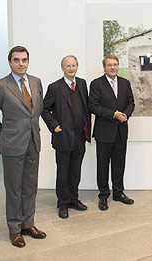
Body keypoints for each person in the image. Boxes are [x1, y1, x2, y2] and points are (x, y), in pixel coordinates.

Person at [0, 46, 46, 248]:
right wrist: (2, 134)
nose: (21, 63)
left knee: (30, 186)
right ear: (10, 62)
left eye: (24, 60)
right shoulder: (1, 85)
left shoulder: (36, 82)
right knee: (14, 188)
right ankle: (14, 228)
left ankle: (28, 224)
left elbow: (37, 110)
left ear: (28, 61)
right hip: (12, 144)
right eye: (16, 60)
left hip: (33, 141)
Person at [41, 55, 91, 219]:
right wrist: (54, 126)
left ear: (77, 67)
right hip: (63, 137)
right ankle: (63, 203)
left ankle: (73, 199)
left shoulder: (82, 84)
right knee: (63, 172)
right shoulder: (55, 87)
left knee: (75, 171)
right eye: (68, 66)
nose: (71, 68)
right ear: (62, 68)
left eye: (74, 65)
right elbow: (44, 109)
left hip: (79, 136)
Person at [89, 54, 135, 211]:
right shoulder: (96, 84)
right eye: (109, 65)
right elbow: (93, 106)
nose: (112, 67)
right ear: (104, 67)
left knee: (119, 164)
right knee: (102, 166)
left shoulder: (125, 83)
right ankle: (103, 196)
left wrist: (126, 115)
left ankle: (118, 193)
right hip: (104, 132)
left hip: (121, 131)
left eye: (115, 64)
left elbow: (131, 102)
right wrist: (113, 114)